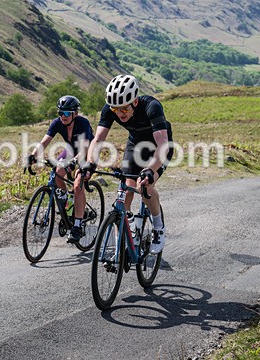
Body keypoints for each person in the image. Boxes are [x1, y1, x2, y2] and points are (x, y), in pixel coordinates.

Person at [80, 75, 173, 254]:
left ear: (135, 101)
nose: (120, 114)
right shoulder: (110, 109)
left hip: (159, 147)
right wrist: (90, 163)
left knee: (144, 187)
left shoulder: (151, 107)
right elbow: (98, 138)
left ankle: (158, 227)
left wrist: (150, 170)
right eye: (116, 110)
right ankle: (122, 237)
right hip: (135, 144)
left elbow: (162, 145)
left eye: (124, 109)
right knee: (126, 187)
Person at [27, 95, 93, 244]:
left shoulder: (83, 123)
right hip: (70, 149)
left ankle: (77, 225)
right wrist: (32, 156)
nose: (63, 116)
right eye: (60, 112)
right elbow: (44, 142)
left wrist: (74, 162)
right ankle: (68, 202)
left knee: (77, 185)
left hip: (86, 151)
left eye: (67, 113)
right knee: (57, 175)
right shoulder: (57, 123)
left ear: (75, 113)